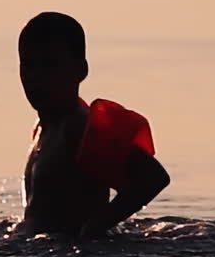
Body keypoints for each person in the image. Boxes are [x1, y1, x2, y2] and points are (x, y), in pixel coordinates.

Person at [18, 12, 170, 239]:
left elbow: (152, 178)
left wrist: (94, 228)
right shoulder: (43, 128)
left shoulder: (78, 128)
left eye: (50, 66)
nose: (36, 77)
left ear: (80, 71)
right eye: (28, 65)